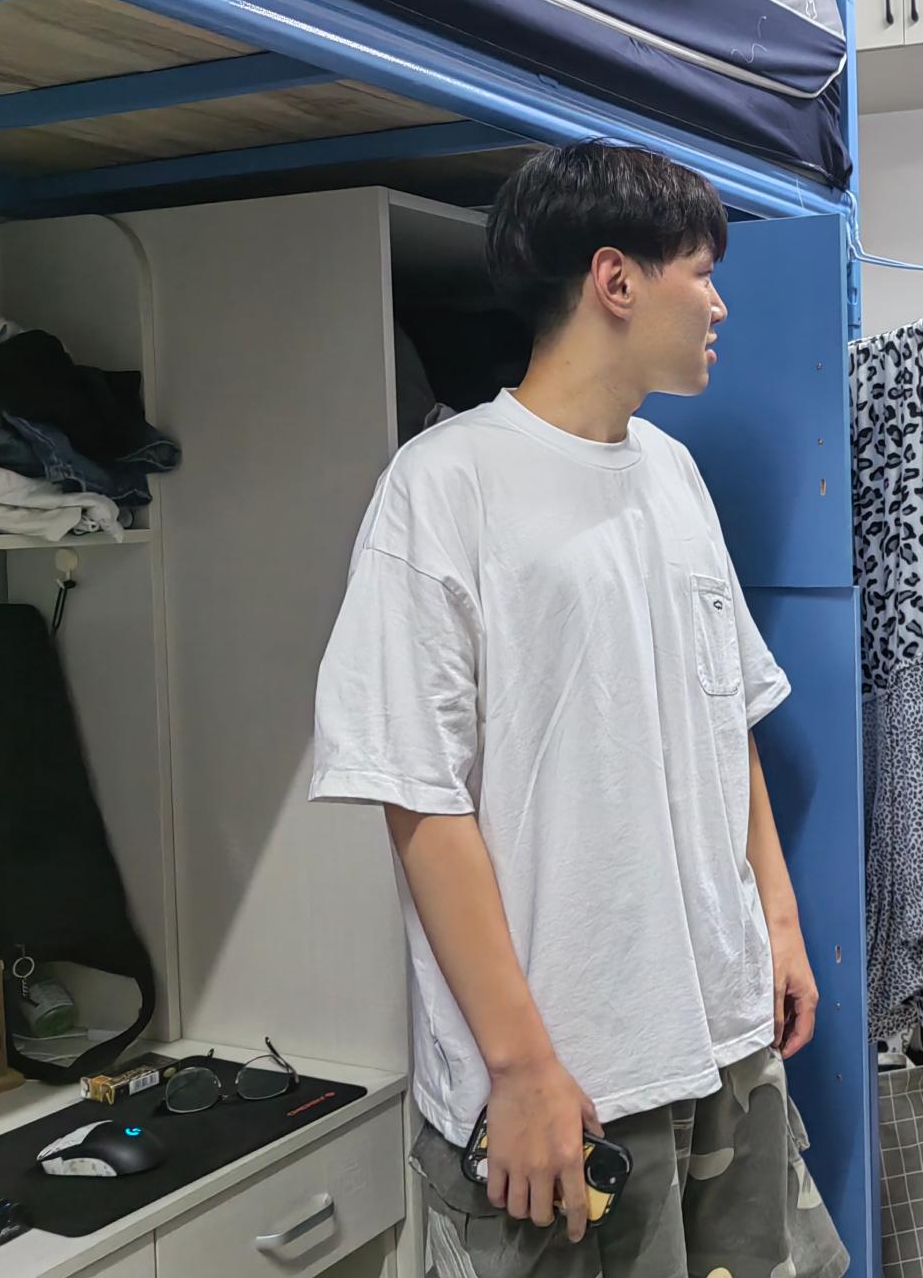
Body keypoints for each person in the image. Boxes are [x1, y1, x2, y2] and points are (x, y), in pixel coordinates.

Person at [310, 143, 847, 1278]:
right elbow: (418, 797)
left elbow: (725, 719)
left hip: (724, 1038)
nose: (719, 304)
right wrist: (518, 1069)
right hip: (572, 1082)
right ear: (616, 281)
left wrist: (778, 924)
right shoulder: (444, 484)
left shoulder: (672, 473)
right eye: (700, 272)